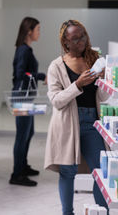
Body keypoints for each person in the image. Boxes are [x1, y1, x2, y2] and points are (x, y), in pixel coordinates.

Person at [44, 19, 109, 214]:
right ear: (66, 43)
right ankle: (67, 212)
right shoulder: (56, 66)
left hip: (92, 123)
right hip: (66, 124)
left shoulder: (94, 58)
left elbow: (103, 96)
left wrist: (105, 80)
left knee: (100, 172)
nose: (81, 41)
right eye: (75, 38)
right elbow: (56, 100)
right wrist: (78, 85)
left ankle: (101, 211)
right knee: (67, 172)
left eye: (83, 35)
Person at [9, 17, 46, 186]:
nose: (39, 33)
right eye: (38, 29)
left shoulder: (26, 49)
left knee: (28, 133)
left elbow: (25, 73)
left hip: (26, 97)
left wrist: (37, 76)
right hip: (22, 97)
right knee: (22, 135)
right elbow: (20, 73)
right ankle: (17, 175)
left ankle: (22, 166)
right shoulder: (23, 50)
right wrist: (41, 76)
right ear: (29, 31)